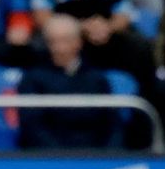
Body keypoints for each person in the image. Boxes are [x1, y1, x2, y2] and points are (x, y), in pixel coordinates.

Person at [18, 13, 116, 149]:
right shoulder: (33, 79)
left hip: (94, 157)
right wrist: (61, 158)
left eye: (65, 40)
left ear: (78, 42)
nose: (59, 48)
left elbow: (111, 124)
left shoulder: (96, 79)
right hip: (49, 159)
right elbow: (32, 126)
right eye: (52, 41)